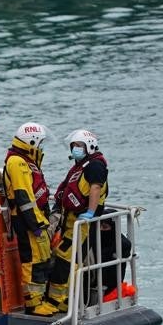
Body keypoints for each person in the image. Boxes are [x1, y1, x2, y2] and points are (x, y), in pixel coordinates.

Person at [40, 129, 110, 315]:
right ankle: (62, 300)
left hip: (83, 224)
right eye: (73, 146)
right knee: (64, 258)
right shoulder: (82, 166)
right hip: (71, 222)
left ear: (89, 146)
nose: (75, 149)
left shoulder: (95, 166)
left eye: (78, 146)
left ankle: (56, 302)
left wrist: (90, 212)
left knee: (65, 260)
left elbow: (95, 188)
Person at [2, 122, 52, 315]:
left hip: (33, 219)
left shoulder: (24, 160)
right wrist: (36, 225)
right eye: (39, 143)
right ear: (31, 141)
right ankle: (32, 304)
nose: (40, 147)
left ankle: (38, 300)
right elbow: (24, 198)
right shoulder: (18, 162)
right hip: (27, 221)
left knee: (40, 259)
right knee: (31, 261)